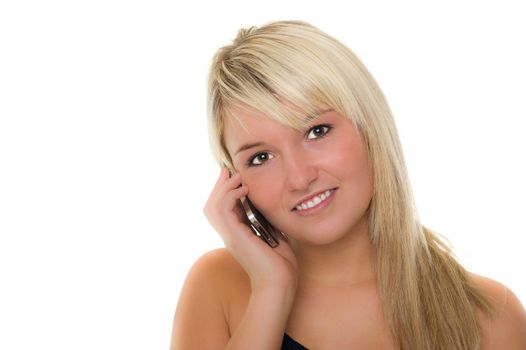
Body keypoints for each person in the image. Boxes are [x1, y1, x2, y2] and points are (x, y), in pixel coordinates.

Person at [170, 20, 526, 349]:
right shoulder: (218, 286)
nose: (299, 178)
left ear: (369, 126)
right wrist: (271, 290)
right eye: (260, 158)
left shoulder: (489, 316)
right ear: (234, 180)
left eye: (317, 131)